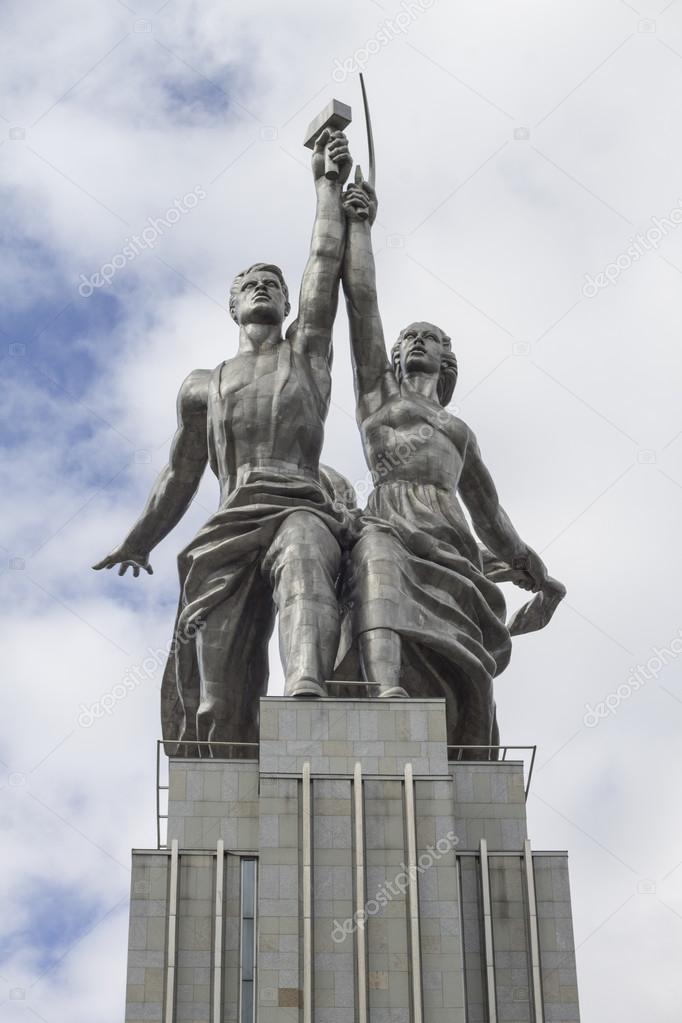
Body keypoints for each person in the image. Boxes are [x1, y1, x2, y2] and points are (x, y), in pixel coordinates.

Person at [94, 131, 354, 752]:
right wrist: (140, 538)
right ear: (232, 305)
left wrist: (326, 186)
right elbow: (180, 474)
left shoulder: (309, 355)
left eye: (273, 284)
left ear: (289, 304)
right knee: (214, 683)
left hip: (298, 502)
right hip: (231, 518)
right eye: (250, 285)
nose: (262, 288)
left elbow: (323, 260)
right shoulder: (200, 386)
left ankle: (307, 685)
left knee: (305, 554)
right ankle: (225, 744)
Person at [338, 170, 564, 748]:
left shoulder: (459, 431)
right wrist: (360, 225)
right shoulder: (377, 397)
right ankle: (383, 696)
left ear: (446, 359)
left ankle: (457, 728)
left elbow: (489, 512)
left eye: (428, 337)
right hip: (389, 520)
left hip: (451, 537)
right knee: (377, 570)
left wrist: (526, 562)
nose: (414, 341)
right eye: (408, 337)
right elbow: (362, 303)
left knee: (461, 654)